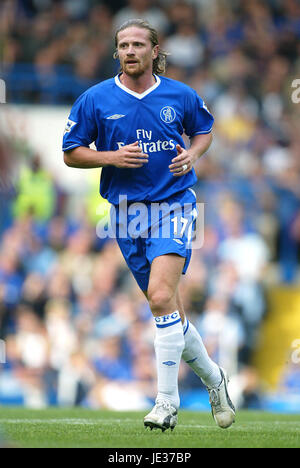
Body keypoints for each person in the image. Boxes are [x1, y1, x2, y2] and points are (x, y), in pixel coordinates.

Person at [62, 18, 235, 431]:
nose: (131, 51)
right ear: (117, 52)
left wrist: (193, 154)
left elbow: (205, 130)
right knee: (169, 312)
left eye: (139, 44)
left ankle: (166, 402)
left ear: (155, 51)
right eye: (124, 45)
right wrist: (112, 158)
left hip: (176, 204)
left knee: (160, 297)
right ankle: (215, 379)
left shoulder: (181, 94)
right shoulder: (95, 99)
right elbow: (71, 152)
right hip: (126, 213)